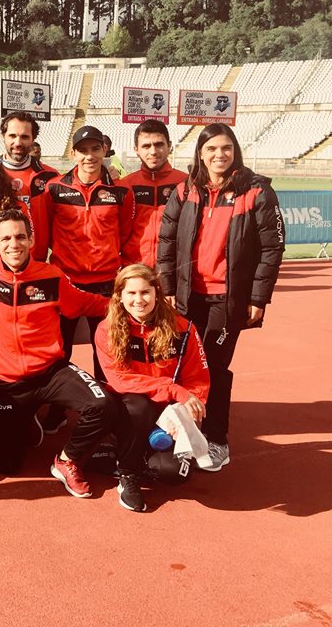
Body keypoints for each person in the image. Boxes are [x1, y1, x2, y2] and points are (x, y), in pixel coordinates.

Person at [0, 209, 117, 498]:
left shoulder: (51, 276)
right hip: (7, 383)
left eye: (19, 237)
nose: (13, 244)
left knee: (104, 406)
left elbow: (88, 303)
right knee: (8, 466)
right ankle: (26, 421)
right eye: (5, 238)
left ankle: (66, 460)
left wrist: (127, 304)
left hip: (50, 373)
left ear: (31, 240)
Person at [157, 123, 284, 471]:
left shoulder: (256, 191)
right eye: (212, 148)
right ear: (200, 153)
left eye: (226, 148)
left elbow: (272, 249)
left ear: (235, 151)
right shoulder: (186, 188)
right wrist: (167, 289)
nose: (219, 155)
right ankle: (186, 433)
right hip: (186, 297)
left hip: (226, 300)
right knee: (179, 366)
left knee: (213, 368)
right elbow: (166, 241)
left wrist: (258, 298)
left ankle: (216, 440)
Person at [95, 264, 209, 512]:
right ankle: (128, 473)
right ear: (119, 296)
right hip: (131, 411)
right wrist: (171, 388)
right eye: (131, 293)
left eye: (145, 292)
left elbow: (198, 378)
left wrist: (190, 410)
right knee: (139, 404)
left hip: (168, 416)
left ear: (157, 292)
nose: (139, 300)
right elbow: (119, 379)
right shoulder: (106, 330)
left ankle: (124, 454)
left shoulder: (185, 329)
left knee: (173, 474)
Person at [44, 125, 135, 382]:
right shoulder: (54, 188)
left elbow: (125, 233)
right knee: (60, 349)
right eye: (82, 150)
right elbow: (46, 231)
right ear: (73, 154)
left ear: (104, 150)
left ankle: (107, 404)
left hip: (105, 283)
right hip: (66, 281)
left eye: (95, 149)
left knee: (106, 349)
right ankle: (60, 406)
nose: (89, 156)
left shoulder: (121, 190)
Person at [120, 119, 187, 268]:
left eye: (158, 144)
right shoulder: (126, 184)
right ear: (136, 149)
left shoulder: (186, 183)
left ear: (169, 146)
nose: (153, 152)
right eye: (146, 146)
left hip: (173, 269)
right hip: (134, 268)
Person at [0, 111, 56, 258]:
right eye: (12, 136)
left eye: (24, 137)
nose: (18, 143)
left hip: (37, 262)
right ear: (3, 136)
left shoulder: (50, 176)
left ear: (33, 139)